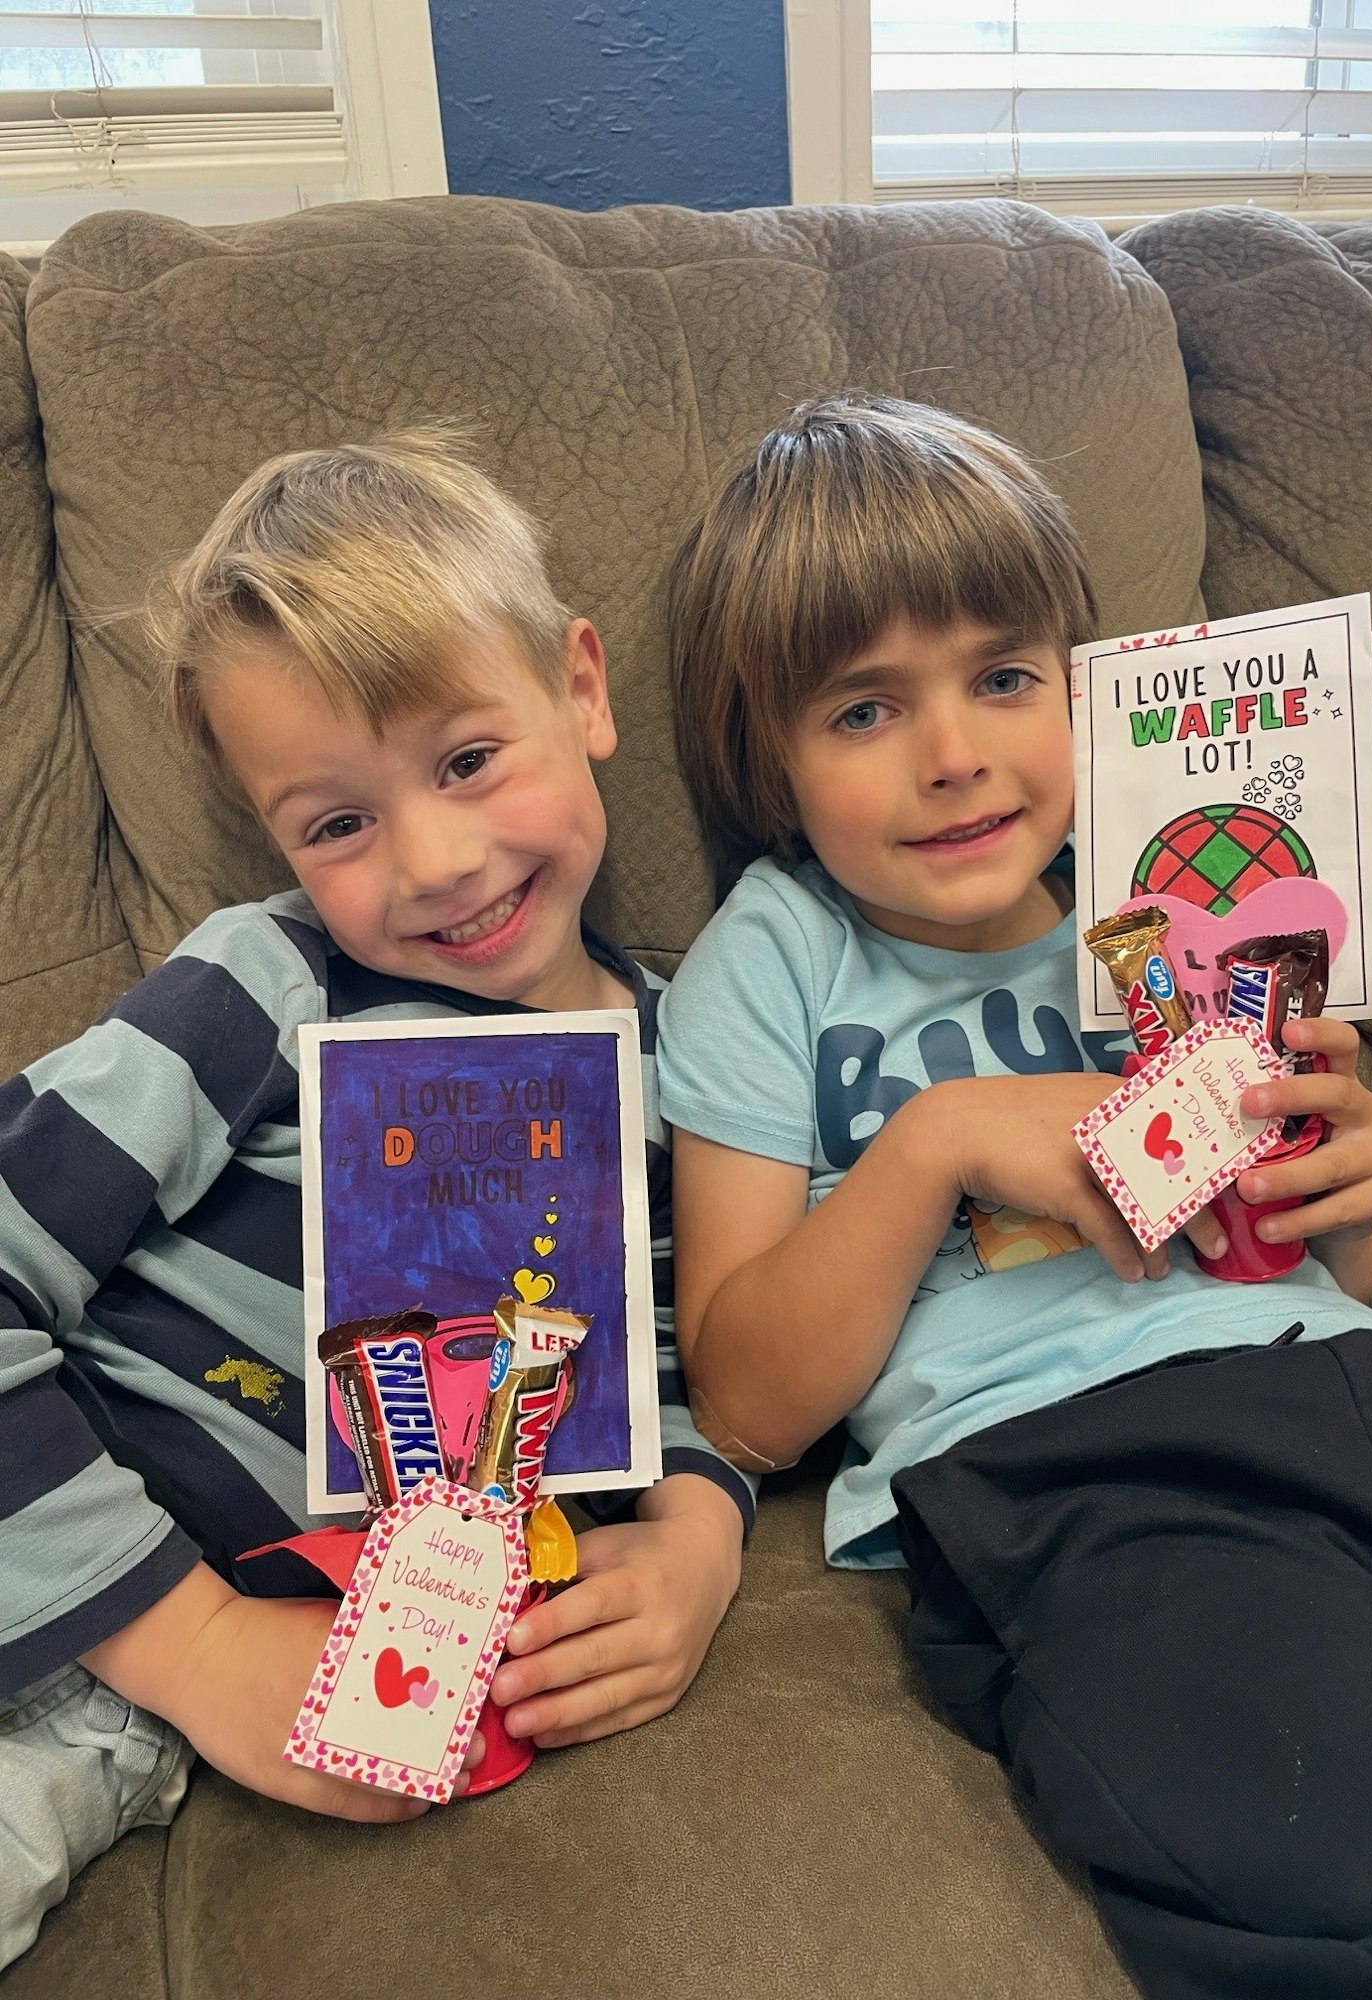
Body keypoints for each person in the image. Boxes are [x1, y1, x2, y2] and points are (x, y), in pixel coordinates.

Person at [657, 392, 1372, 2000]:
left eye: (1002, 677)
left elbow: (1332, 1259)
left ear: (1088, 691)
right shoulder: (776, 956)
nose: (956, 752)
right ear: (764, 762)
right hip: (1088, 1472)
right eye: (860, 710)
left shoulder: (1173, 894)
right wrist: (940, 1142)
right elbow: (752, 1401)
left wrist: (1356, 1187)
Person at [0, 431, 751, 1968]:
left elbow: (680, 1370)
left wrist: (697, 1534)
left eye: (469, 759)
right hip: (98, 1553)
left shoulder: (701, 1074)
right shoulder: (267, 984)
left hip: (147, 1713)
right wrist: (194, 1646)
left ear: (584, 689)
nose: (437, 860)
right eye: (338, 821)